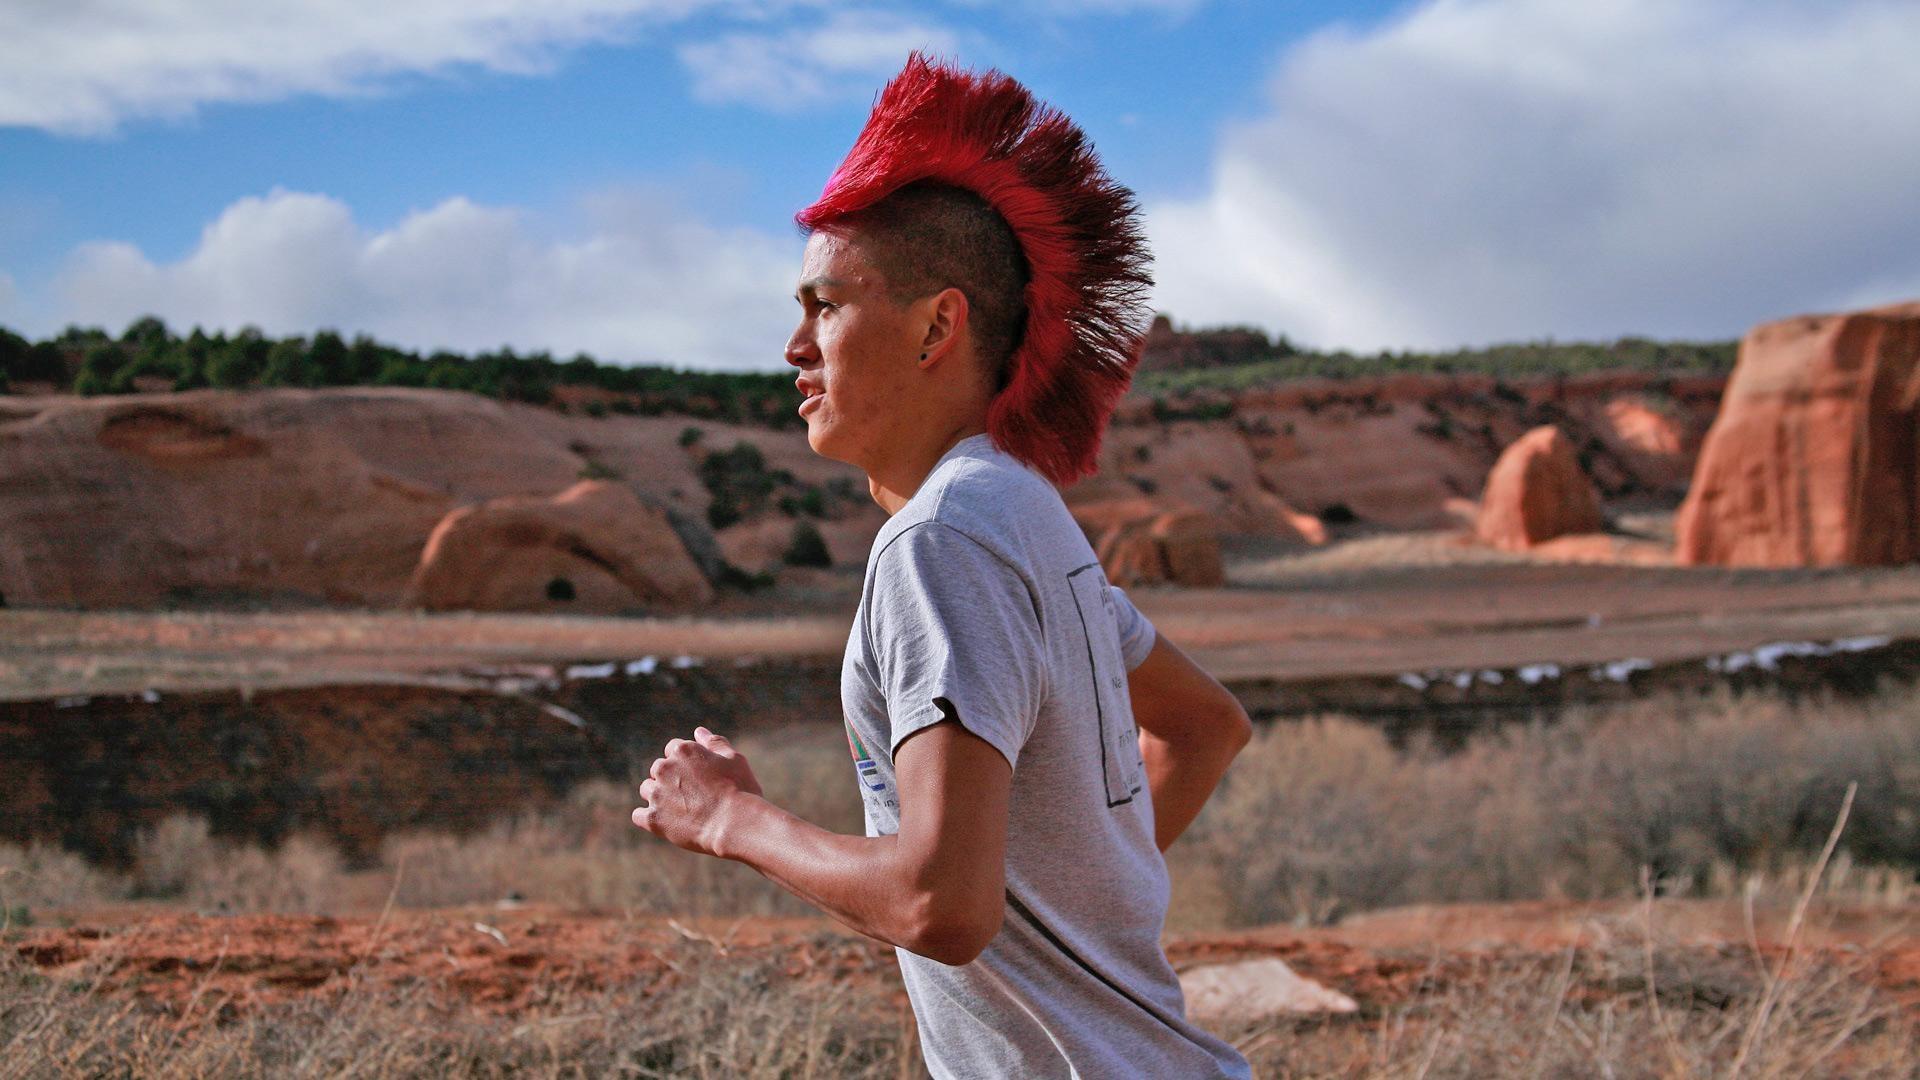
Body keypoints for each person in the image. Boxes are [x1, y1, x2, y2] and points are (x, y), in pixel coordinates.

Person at [633, 54, 1254, 1079]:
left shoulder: (940, 542)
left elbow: (939, 906)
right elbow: (1205, 726)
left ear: (936, 326)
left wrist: (730, 818)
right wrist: (1077, 904)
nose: (794, 345)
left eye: (826, 305)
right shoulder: (1022, 508)